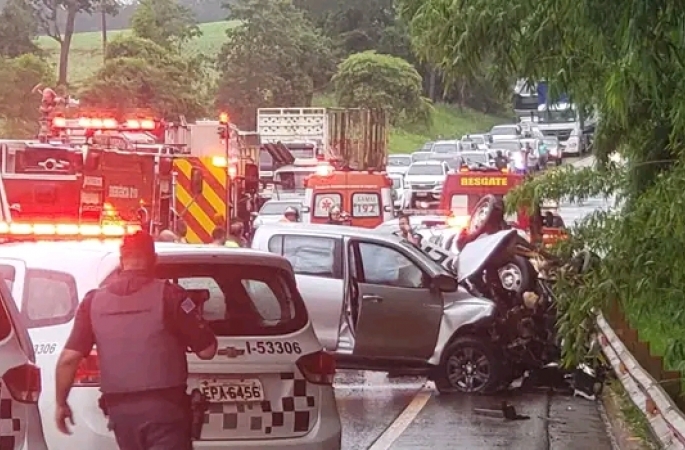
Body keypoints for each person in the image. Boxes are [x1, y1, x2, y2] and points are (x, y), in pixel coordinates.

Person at [54, 231, 218, 449]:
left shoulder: (93, 302)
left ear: (122, 260)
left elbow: (68, 359)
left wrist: (61, 403)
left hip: (121, 414)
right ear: (154, 259)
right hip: (166, 411)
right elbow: (207, 351)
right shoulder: (170, 296)